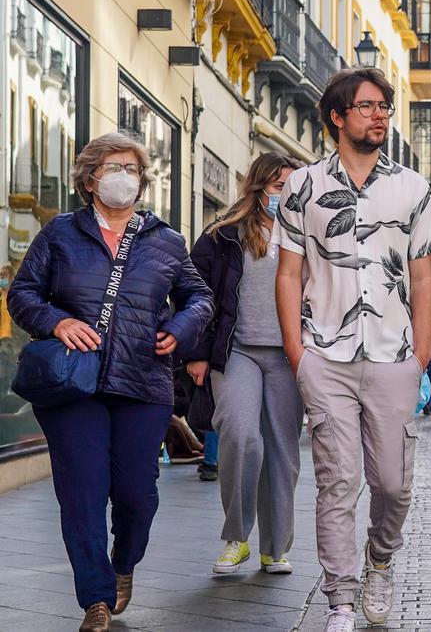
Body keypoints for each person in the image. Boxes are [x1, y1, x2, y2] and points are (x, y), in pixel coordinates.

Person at [6, 132, 213, 632]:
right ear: (91, 176)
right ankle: (95, 597)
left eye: (133, 168)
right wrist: (57, 322)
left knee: (137, 494)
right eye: (113, 166)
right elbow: (22, 294)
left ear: (142, 181)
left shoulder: (166, 241)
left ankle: (124, 563)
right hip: (74, 385)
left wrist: (179, 332)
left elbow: (200, 297)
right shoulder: (59, 234)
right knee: (82, 490)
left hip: (143, 383)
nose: (124, 176)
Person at [273, 68, 431, 632]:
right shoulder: (302, 187)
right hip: (326, 355)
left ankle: (380, 559)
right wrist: (299, 354)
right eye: (367, 106)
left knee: (392, 483)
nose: (380, 115)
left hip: (395, 358)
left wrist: (421, 352)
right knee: (337, 481)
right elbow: (289, 274)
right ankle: (340, 597)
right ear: (337, 118)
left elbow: (421, 278)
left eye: (384, 106)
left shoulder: (413, 189)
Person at [185, 152, 306, 576]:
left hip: (290, 355)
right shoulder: (224, 234)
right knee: (239, 435)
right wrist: (197, 353)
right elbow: (194, 292)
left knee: (282, 454)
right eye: (277, 187)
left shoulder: (310, 235)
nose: (284, 195)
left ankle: (275, 547)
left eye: (291, 188)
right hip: (234, 351)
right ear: (258, 187)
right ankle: (236, 537)